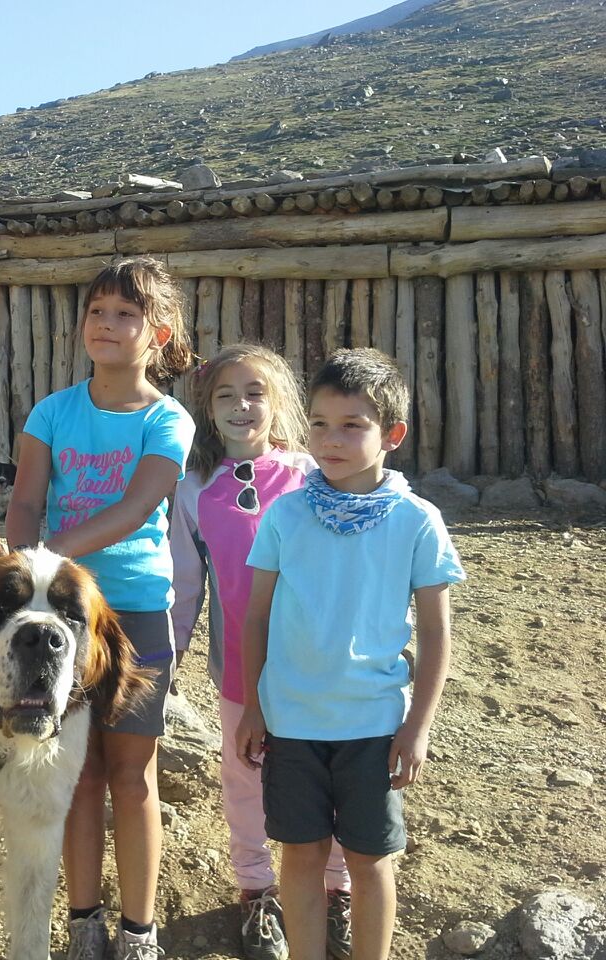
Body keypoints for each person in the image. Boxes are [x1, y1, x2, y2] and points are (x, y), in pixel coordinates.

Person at [236, 348, 464, 960]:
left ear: (392, 435)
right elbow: (255, 616)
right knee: (302, 856)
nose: (330, 440)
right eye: (319, 424)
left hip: (373, 725)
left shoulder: (417, 522)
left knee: (369, 860)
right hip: (292, 722)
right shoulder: (286, 513)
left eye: (352, 426)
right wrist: (256, 707)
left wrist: (417, 727)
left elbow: (438, 633)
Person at [6, 256, 196, 960]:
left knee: (132, 772)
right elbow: (24, 500)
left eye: (126, 314)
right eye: (97, 312)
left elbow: (135, 508)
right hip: (59, 616)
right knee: (77, 773)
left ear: (160, 333)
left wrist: (51, 557)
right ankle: (83, 921)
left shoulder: (168, 419)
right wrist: (27, 570)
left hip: (136, 611)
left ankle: (138, 930)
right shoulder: (53, 413)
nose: (107, 325)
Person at [171, 343, 351, 960]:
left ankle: (337, 893)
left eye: (255, 393)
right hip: (239, 672)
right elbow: (187, 582)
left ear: (279, 405)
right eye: (225, 395)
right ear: (207, 409)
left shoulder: (311, 474)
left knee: (327, 777)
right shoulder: (194, 489)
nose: (242, 406)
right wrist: (169, 658)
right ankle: (257, 893)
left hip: (317, 669)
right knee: (245, 781)